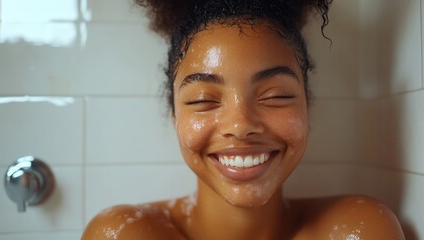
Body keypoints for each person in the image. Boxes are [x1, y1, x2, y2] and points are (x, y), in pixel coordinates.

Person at [82, 0, 405, 239]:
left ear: (307, 107)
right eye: (203, 100)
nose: (240, 125)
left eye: (275, 96)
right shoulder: (124, 233)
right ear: (174, 115)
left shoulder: (359, 229)